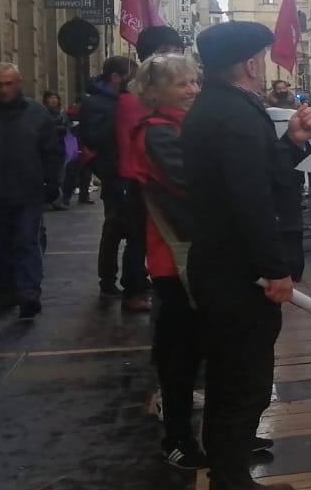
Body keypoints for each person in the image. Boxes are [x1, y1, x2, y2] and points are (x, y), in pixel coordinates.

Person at [183, 22, 311, 490]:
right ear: (249, 63)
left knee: (228, 378)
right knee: (246, 383)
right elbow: (251, 201)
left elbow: (254, 178)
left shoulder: (220, 107)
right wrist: (274, 269)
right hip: (239, 276)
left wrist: (291, 143)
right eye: (261, 55)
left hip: (222, 269)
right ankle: (232, 480)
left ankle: (227, 473)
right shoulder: (235, 114)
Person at [126, 53, 207, 470]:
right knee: (181, 355)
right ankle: (176, 439)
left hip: (187, 256)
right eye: (181, 84)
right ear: (154, 92)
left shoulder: (178, 126)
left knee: (196, 352)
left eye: (194, 81)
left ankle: (210, 436)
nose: (192, 90)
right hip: (173, 260)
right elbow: (188, 184)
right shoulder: (157, 132)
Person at [0, 63, 65, 320]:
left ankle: (29, 293)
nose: (3, 89)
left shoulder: (37, 114)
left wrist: (52, 183)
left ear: (19, 83)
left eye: (8, 83)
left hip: (28, 192)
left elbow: (52, 152)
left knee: (26, 242)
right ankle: (6, 293)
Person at [78, 54, 154, 310]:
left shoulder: (122, 101)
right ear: (116, 77)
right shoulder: (97, 104)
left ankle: (133, 280)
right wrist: (119, 119)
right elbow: (91, 140)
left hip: (127, 174)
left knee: (131, 232)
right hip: (115, 176)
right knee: (115, 230)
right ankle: (109, 281)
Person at [41, 92, 70, 211]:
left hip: (61, 149)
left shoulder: (62, 115)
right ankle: (46, 200)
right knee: (49, 177)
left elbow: (67, 129)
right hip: (48, 150)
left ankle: (57, 200)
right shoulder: (43, 114)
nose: (53, 101)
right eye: (50, 98)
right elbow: (46, 129)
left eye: (55, 98)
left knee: (60, 177)